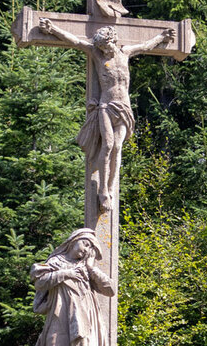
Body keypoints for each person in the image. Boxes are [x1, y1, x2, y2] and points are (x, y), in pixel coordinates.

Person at [38, 18, 174, 212]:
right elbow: (75, 41)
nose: (105, 50)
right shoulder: (97, 55)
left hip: (124, 107)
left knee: (118, 147)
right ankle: (102, 189)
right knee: (108, 144)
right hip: (106, 106)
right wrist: (53, 29)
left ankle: (110, 188)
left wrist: (162, 36)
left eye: (107, 46)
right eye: (101, 47)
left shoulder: (125, 53)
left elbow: (145, 45)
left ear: (113, 41)